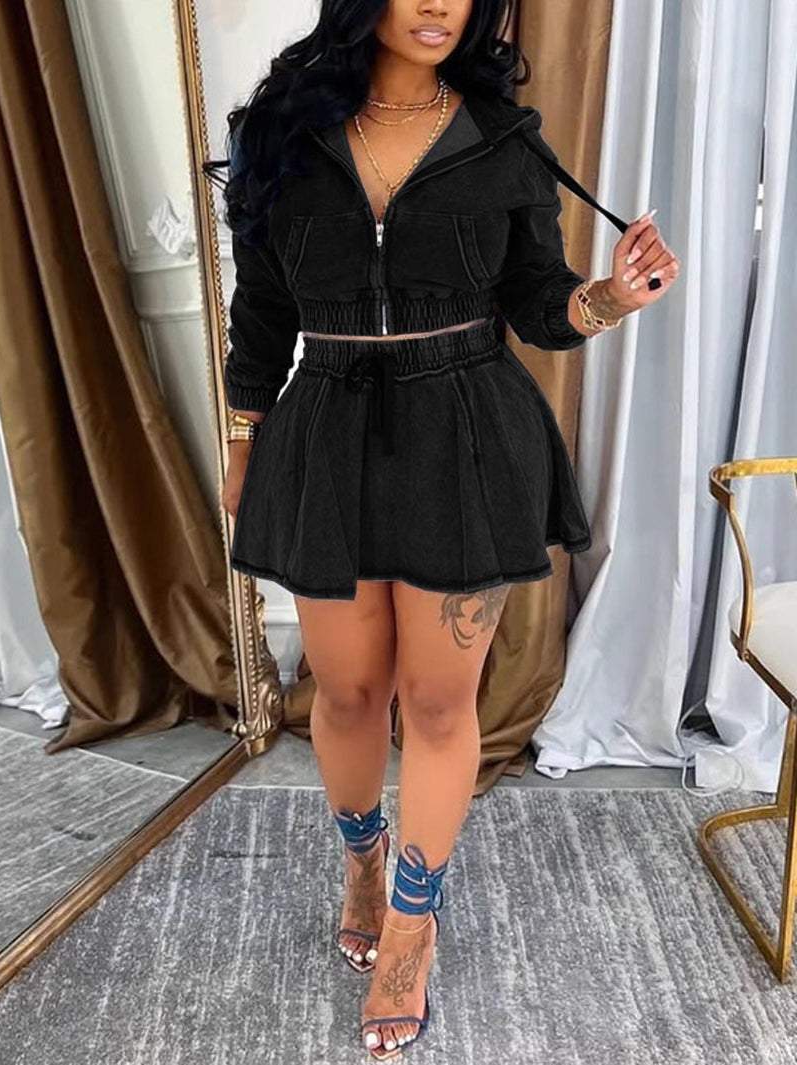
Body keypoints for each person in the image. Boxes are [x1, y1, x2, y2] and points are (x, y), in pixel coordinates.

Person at [215, 0, 679, 1058]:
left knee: (435, 699)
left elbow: (537, 303)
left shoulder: (501, 137)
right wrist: (242, 439)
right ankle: (362, 862)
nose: (437, 4)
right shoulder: (280, 131)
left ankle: (410, 928)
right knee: (344, 690)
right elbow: (262, 313)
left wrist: (610, 297)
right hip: (325, 428)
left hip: (467, 434)